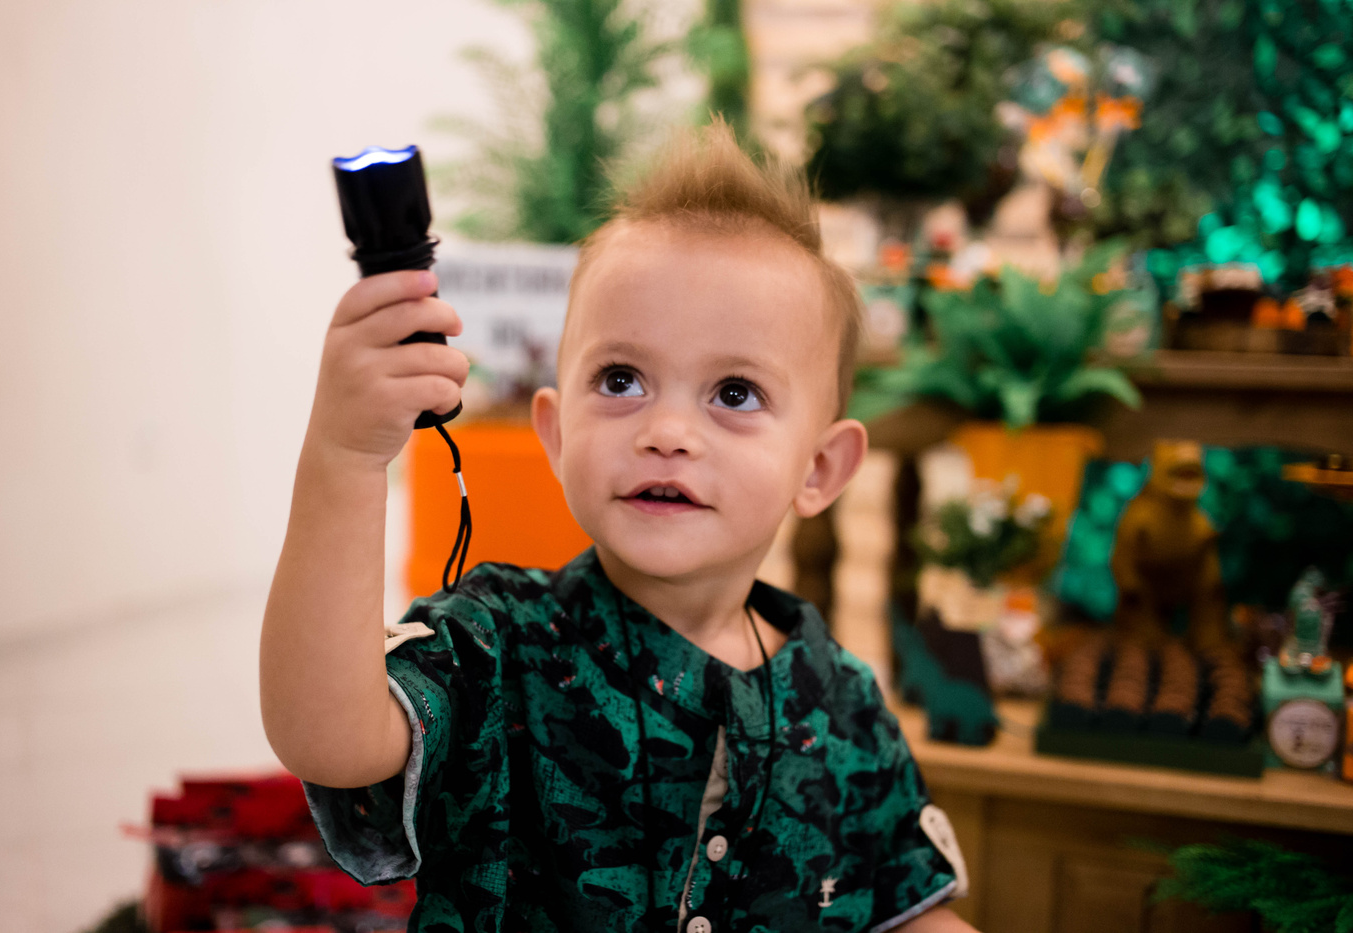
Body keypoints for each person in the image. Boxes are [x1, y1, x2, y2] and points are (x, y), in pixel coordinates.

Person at [260, 119, 978, 933]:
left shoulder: (844, 702)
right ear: (557, 434)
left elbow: (907, 914)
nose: (667, 431)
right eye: (621, 379)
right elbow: (326, 735)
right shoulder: (496, 643)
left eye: (734, 393)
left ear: (819, 469)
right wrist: (347, 456)